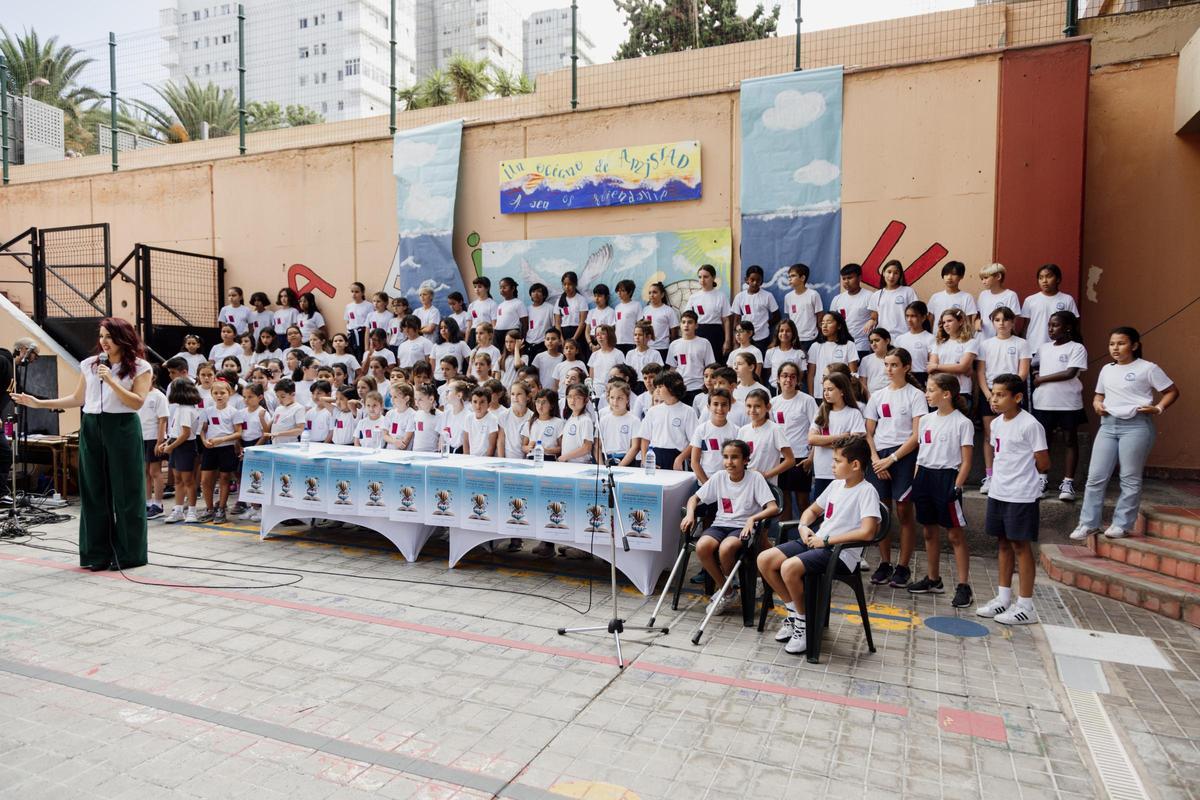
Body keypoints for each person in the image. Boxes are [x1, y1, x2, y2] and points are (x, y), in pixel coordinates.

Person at [13, 318, 153, 570]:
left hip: (121, 427)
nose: (104, 342)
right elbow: (78, 398)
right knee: (93, 491)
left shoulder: (140, 367)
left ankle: (130, 553)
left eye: (109, 336)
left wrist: (110, 380)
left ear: (124, 338)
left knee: (126, 491)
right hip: (91, 426)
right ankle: (96, 554)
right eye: (101, 336)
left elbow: (136, 402)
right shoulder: (89, 364)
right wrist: (38, 403)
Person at [757, 435, 880, 655]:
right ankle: (794, 612)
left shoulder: (866, 491)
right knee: (765, 559)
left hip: (839, 553)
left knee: (788, 567)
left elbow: (868, 531)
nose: (832, 465)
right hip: (818, 543)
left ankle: (804, 625)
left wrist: (826, 540)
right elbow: (812, 510)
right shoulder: (836, 485)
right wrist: (804, 526)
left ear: (855, 465)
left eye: (837, 461)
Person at [1071, 327, 1178, 541]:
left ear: (1135, 345)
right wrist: (1097, 403)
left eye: (1121, 343)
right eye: (1112, 344)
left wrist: (1158, 408)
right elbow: (1099, 395)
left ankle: (1122, 524)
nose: (1115, 348)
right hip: (1108, 425)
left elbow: (1171, 391)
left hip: (1136, 426)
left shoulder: (1147, 368)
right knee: (1095, 478)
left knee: (1129, 478)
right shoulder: (1106, 369)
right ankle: (1088, 523)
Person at [976, 374, 1048, 626]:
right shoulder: (995, 423)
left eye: (1000, 395)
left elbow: (1044, 462)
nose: (994, 399)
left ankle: (1026, 606)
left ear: (1017, 397)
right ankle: (1003, 598)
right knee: (1003, 544)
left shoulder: (1030, 425)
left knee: (1021, 547)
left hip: (1022, 495)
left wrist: (1023, 477)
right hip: (999, 491)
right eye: (993, 394)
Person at [681, 439, 779, 616]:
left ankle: (729, 587)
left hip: (742, 527)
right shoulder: (719, 476)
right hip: (720, 524)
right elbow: (693, 499)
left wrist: (753, 519)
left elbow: (773, 507)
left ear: (746, 460)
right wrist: (690, 514)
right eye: (725, 457)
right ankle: (728, 591)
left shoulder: (755, 478)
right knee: (702, 547)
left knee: (726, 548)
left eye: (734, 457)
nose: (729, 462)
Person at [909, 373, 975, 606]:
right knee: (928, 530)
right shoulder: (926, 420)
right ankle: (933, 579)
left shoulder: (962, 423)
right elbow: (921, 453)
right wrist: (916, 480)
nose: (926, 394)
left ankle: (964, 585)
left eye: (930, 390)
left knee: (955, 534)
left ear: (946, 394)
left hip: (947, 476)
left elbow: (966, 460)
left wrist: (957, 486)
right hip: (925, 475)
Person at [863, 348, 926, 589]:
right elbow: (868, 433)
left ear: (906, 367)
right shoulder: (877, 396)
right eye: (886, 365)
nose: (888, 369)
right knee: (881, 512)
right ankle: (885, 563)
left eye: (894, 365)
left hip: (904, 456)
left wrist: (893, 460)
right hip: (879, 456)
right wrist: (877, 459)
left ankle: (903, 566)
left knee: (903, 510)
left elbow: (916, 434)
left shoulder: (916, 395)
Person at [1032, 311, 1088, 501]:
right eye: (1049, 325)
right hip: (1044, 402)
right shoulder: (1044, 348)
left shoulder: (1077, 348)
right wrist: (1035, 375)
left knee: (1070, 441)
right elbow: (1034, 365)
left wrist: (1042, 379)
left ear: (1068, 327)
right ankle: (1042, 480)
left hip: (1068, 403)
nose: (1050, 329)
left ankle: (1068, 483)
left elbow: (1070, 373)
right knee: (1043, 442)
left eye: (1055, 325)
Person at [977, 307, 1031, 495]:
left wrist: (1008, 392)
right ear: (992, 322)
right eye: (997, 319)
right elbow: (981, 372)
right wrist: (989, 395)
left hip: (1011, 394)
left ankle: (1008, 474)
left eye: (1006, 319)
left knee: (1012, 434)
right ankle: (990, 475)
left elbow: (1023, 372)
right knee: (989, 435)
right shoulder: (985, 344)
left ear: (1013, 322)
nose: (1002, 323)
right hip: (991, 394)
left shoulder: (1022, 343)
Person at [770, 362, 818, 521]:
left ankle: (807, 537)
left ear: (798, 380)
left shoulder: (807, 400)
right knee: (784, 501)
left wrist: (811, 458)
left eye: (792, 376)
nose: (788, 380)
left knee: (803, 501)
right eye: (784, 375)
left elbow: (817, 429)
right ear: (778, 379)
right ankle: (786, 542)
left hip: (800, 458)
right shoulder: (773, 402)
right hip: (780, 458)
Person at [807, 372, 866, 500]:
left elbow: (853, 445)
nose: (826, 393)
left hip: (844, 471)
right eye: (824, 390)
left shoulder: (853, 413)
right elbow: (812, 439)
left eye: (830, 389)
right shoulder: (822, 410)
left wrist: (823, 443)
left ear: (842, 391)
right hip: (822, 470)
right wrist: (841, 437)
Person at [198, 379, 243, 524]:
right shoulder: (207, 411)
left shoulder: (234, 412)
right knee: (205, 480)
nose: (219, 396)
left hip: (227, 448)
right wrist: (204, 440)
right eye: (216, 393)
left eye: (222, 393)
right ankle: (209, 509)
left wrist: (222, 440)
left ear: (229, 394)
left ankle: (221, 509)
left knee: (224, 478)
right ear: (211, 394)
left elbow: (238, 433)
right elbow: (203, 430)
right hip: (210, 448)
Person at [161, 378, 201, 524]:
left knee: (188, 481)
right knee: (178, 480)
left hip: (185, 447)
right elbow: (175, 431)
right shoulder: (179, 409)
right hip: (176, 445)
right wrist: (167, 442)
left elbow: (185, 433)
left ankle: (192, 511)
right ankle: (178, 510)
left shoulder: (186, 410)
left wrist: (170, 446)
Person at [1021, 263, 1079, 361]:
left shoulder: (1067, 299)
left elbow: (1074, 325)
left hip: (1060, 347)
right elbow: (1026, 326)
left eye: (1049, 277)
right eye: (1040, 278)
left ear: (1058, 279)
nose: (1044, 281)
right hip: (1034, 347)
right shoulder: (1030, 300)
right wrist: (1024, 346)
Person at [639, 370, 695, 470]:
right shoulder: (653, 411)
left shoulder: (688, 411)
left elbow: (694, 441)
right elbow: (645, 438)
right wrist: (644, 459)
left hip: (677, 457)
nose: (658, 390)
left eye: (660, 387)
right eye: (657, 387)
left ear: (671, 387)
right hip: (655, 456)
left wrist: (680, 459)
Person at [928, 308, 978, 406]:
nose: (946, 324)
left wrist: (938, 366)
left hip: (961, 391)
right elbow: (931, 369)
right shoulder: (938, 344)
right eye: (944, 322)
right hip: (940, 390)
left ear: (960, 321)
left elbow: (963, 367)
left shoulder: (970, 342)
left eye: (949, 321)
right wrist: (956, 367)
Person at [830, 263, 877, 360]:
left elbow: (875, 317)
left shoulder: (870, 296)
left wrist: (873, 320)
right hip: (842, 345)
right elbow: (831, 320)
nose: (846, 281)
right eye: (844, 278)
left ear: (859, 278)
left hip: (862, 345)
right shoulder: (837, 299)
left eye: (850, 278)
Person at [686, 264, 733, 358]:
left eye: (706, 277)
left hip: (715, 333)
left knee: (715, 361)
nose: (702, 280)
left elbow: (726, 320)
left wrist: (727, 340)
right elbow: (687, 317)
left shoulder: (721, 296)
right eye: (700, 277)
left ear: (713, 277)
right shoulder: (693, 297)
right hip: (698, 331)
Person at [668, 312, 715, 405]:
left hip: (699, 387)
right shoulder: (674, 344)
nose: (686, 325)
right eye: (683, 322)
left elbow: (710, 367)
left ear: (696, 325)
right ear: (680, 325)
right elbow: (672, 368)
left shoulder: (704, 343)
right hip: (680, 388)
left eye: (690, 322)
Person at [806, 312, 858, 397]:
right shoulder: (815, 346)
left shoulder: (849, 345)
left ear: (839, 326)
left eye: (829, 322)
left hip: (841, 394)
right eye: (822, 323)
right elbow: (811, 374)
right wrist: (811, 396)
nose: (824, 326)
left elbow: (852, 372)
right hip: (820, 394)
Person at [139, 376, 169, 520]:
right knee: (144, 471)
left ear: (153, 378)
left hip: (153, 437)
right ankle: (147, 502)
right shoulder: (138, 394)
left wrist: (159, 441)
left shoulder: (159, 396)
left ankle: (158, 505)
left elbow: (163, 420)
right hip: (140, 437)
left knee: (155, 471)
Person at [732, 265, 779, 354]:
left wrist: (765, 324)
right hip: (744, 337)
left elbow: (777, 316)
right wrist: (735, 342)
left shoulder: (767, 296)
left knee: (760, 363)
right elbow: (737, 319)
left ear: (761, 282)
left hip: (762, 337)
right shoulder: (740, 297)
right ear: (746, 280)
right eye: (752, 280)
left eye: (758, 280)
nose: (755, 283)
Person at [869, 260, 918, 336]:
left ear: (900, 275)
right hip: (883, 338)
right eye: (889, 272)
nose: (891, 276)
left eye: (896, 273)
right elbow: (874, 316)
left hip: (904, 335)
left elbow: (916, 313)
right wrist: (872, 321)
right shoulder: (876, 295)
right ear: (884, 273)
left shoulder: (908, 291)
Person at [927, 260, 978, 331]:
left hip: (959, 339)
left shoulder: (967, 297)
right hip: (938, 338)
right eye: (946, 274)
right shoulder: (935, 297)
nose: (949, 278)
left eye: (954, 274)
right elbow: (930, 320)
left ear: (961, 276)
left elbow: (968, 322)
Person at [783, 263, 823, 353]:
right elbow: (789, 318)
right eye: (789, 276)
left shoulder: (813, 294)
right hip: (794, 338)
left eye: (793, 276)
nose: (790, 279)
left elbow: (820, 316)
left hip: (811, 337)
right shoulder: (788, 297)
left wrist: (820, 336)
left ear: (802, 278)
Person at [893, 301, 935, 386]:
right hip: (903, 377)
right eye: (907, 316)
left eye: (913, 316)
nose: (909, 319)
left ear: (923, 317)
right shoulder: (900, 339)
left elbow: (932, 364)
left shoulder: (931, 338)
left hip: (922, 379)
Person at [976, 263, 1022, 339]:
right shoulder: (983, 295)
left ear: (998, 276)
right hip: (982, 338)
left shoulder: (1010, 295)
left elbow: (1014, 318)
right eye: (982, 279)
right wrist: (977, 322)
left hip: (1001, 338)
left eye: (986, 278)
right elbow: (979, 314)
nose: (983, 281)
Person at [641, 282, 679, 364]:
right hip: (648, 348)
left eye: (655, 292)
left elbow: (674, 330)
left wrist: (671, 346)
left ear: (662, 295)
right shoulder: (645, 310)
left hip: (663, 348)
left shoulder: (668, 310)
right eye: (650, 292)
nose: (652, 295)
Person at [613, 279, 644, 356]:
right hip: (618, 341)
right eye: (618, 291)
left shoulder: (636, 305)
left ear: (630, 292)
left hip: (631, 341)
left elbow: (640, 323)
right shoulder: (617, 307)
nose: (619, 293)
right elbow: (615, 325)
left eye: (622, 291)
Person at [494, 277, 528, 343]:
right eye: (500, 287)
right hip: (498, 334)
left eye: (504, 287)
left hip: (511, 334)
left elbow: (525, 324)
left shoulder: (519, 303)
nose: (502, 290)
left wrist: (523, 339)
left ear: (512, 288)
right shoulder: (500, 305)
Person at [343, 282, 373, 356]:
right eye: (352, 291)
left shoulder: (368, 306)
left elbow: (370, 322)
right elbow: (348, 321)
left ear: (362, 293)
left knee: (362, 355)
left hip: (363, 333)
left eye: (356, 292)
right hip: (352, 334)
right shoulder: (349, 306)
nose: (354, 294)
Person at [526, 283, 555, 359]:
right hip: (529, 343)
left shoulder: (550, 308)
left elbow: (554, 326)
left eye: (539, 291)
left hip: (543, 344)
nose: (536, 294)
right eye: (533, 291)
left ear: (544, 295)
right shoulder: (528, 309)